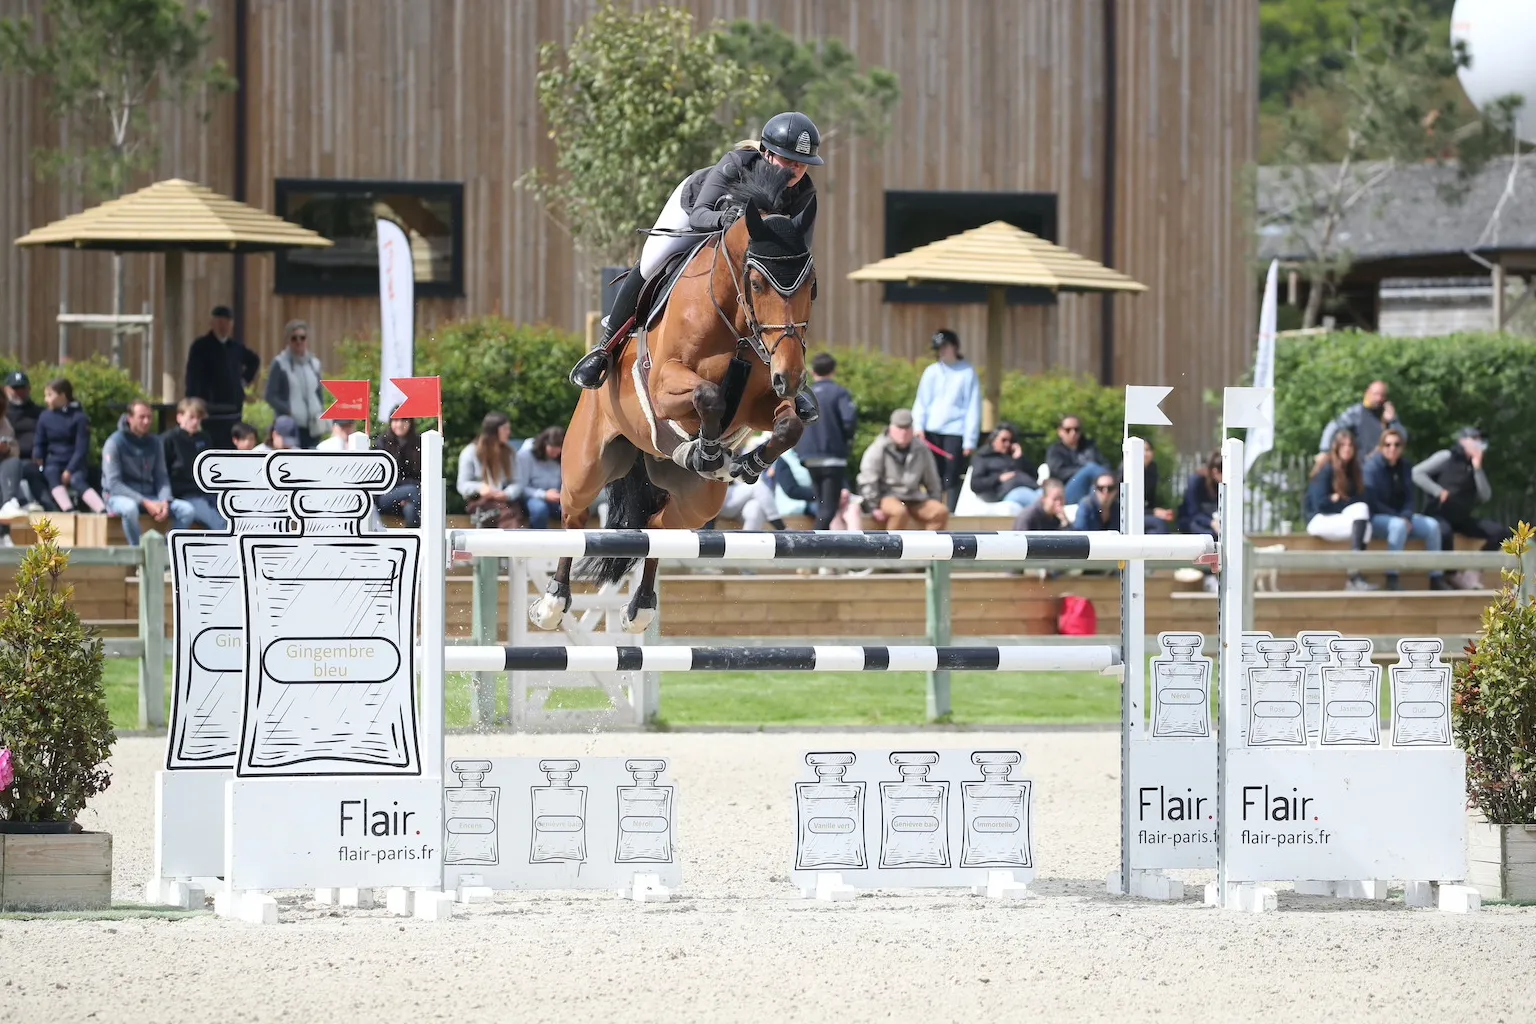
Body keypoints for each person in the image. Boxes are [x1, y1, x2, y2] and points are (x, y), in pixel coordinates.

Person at [570, 112, 822, 390]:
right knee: (652, 263)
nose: (795, 170)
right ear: (766, 153)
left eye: (803, 164)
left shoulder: (805, 193)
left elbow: (798, 250)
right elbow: (699, 215)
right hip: (696, 210)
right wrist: (724, 220)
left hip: (749, 250)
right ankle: (604, 348)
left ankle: (791, 373)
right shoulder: (737, 164)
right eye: (788, 160)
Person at [1413, 427, 1511, 585]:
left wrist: (1478, 469)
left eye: (1480, 440)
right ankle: (1449, 574)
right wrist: (1437, 491)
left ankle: (1475, 571)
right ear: (1462, 441)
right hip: (1439, 513)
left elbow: (1485, 496)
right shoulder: (1446, 456)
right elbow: (1416, 473)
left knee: (1501, 532)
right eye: (1474, 439)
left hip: (1461, 518)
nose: (1479, 443)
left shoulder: (1474, 466)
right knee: (1444, 531)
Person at [1363, 427, 1448, 591]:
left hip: (1402, 518)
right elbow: (1372, 502)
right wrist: (1400, 518)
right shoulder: (1371, 468)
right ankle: (1392, 577)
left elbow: (1410, 498)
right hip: (1378, 518)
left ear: (1402, 447)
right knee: (1398, 525)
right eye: (1387, 445)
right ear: (1381, 447)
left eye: (1396, 444)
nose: (1392, 448)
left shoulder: (1405, 466)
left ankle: (1435, 578)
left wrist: (1407, 516)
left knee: (1433, 526)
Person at [102, 399, 194, 545]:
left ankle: (165, 551)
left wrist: (164, 500)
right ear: (130, 418)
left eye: (149, 417)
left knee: (187, 510)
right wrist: (145, 502)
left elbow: (161, 476)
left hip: (150, 496)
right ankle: (139, 554)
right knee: (130, 509)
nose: (146, 421)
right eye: (141, 417)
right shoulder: (115, 442)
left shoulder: (155, 443)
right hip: (118, 497)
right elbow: (114, 484)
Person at [912, 329, 982, 511]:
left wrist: (970, 439)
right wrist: (918, 426)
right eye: (939, 348)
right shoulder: (932, 371)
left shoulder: (967, 372)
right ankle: (931, 510)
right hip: (931, 431)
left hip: (955, 432)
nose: (942, 351)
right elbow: (922, 401)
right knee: (931, 474)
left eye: (945, 347)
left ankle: (949, 513)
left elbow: (973, 407)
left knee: (951, 477)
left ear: (955, 347)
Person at [1305, 429, 1375, 591]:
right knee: (1363, 525)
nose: (1347, 448)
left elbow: (1359, 500)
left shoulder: (1354, 471)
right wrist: (1344, 501)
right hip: (1319, 519)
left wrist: (1339, 499)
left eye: (1350, 445)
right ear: (1335, 447)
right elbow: (1321, 503)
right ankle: (1354, 576)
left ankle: (1354, 576)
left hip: (1338, 518)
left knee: (1366, 524)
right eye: (1343, 445)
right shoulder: (1326, 467)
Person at [857, 408, 949, 531]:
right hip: (887, 496)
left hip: (914, 497)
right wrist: (873, 506)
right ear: (891, 428)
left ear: (912, 429)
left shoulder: (922, 449)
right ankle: (892, 549)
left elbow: (932, 478)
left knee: (940, 512)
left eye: (907, 428)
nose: (903, 433)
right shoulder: (879, 448)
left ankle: (928, 548)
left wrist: (935, 499)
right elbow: (868, 477)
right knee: (899, 512)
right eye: (899, 428)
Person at [796, 352, 857, 531]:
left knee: (821, 503)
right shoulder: (839, 393)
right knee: (829, 508)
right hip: (833, 457)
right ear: (833, 371)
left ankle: (816, 545)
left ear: (813, 372)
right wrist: (846, 441)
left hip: (809, 456)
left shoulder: (805, 395)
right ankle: (812, 546)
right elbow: (849, 421)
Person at [184, 305, 260, 448]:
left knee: (231, 445)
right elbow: (192, 376)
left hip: (233, 408)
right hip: (210, 409)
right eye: (220, 322)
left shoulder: (235, 347)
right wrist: (193, 401)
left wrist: (243, 382)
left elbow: (254, 360)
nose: (223, 326)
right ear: (212, 323)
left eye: (227, 322)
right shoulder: (201, 346)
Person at [33, 378, 106, 513]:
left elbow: (81, 448)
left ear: (62, 396)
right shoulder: (45, 417)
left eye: (50, 395)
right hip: (54, 461)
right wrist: (37, 454)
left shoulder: (79, 418)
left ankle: (101, 509)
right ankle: (68, 509)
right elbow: (39, 441)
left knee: (77, 480)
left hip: (74, 462)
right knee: (51, 473)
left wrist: (70, 470)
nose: (46, 400)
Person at [160, 397, 226, 530]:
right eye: (191, 417)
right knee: (220, 524)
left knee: (234, 514)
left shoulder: (204, 438)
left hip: (208, 492)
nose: (195, 422)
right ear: (179, 417)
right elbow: (162, 472)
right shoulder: (168, 439)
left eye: (199, 418)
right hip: (184, 495)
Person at [456, 411, 526, 529]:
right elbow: (462, 485)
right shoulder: (470, 452)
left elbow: (517, 482)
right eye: (505, 429)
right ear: (494, 431)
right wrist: (480, 488)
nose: (508, 432)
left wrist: (507, 494)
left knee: (515, 513)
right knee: (505, 516)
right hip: (480, 501)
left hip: (505, 501)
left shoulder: (510, 454)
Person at [264, 319, 325, 447]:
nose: (299, 341)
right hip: (291, 426)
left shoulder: (314, 363)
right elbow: (270, 395)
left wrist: (321, 411)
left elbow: (319, 392)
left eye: (302, 338)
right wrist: (288, 410)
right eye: (294, 338)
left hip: (313, 426)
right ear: (288, 341)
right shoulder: (280, 364)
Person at [1176, 451, 1223, 593]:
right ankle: (1209, 577)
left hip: (1212, 523)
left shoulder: (1223, 485)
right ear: (1215, 472)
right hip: (1192, 522)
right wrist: (1212, 522)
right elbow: (1193, 512)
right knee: (1209, 537)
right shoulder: (1196, 481)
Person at [1320, 380, 1405, 457]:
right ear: (1367, 393)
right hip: (1360, 467)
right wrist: (1325, 450)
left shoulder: (1388, 415)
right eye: (1375, 394)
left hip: (1382, 467)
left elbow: (1403, 439)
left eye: (1382, 395)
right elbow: (1333, 427)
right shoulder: (1356, 413)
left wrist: (1393, 421)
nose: (1379, 399)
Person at [970, 422, 1040, 509]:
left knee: (1046, 495)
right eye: (1003, 440)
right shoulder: (983, 457)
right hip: (1006, 493)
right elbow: (975, 484)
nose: (1007, 444)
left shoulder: (1013, 456)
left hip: (1031, 488)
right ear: (993, 440)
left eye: (1010, 441)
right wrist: (999, 478)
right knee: (1040, 501)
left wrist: (1019, 458)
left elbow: (1034, 476)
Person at [1045, 415, 1111, 505]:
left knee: (1098, 481)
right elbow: (1058, 473)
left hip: (1092, 488)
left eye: (1076, 429)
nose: (1073, 433)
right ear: (1060, 432)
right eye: (1068, 430)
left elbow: (1105, 464)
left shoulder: (1089, 447)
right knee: (1091, 469)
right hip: (1067, 491)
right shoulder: (1055, 451)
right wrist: (1084, 471)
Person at [2, 371, 45, 506]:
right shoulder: (4, 415)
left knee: (33, 472)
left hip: (33, 460)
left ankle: (49, 509)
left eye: (23, 389)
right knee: (15, 465)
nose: (19, 393)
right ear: (6, 390)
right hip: (8, 461)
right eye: (15, 389)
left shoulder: (40, 413)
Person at [375, 417, 422, 529]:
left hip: (410, 497)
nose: (399, 424)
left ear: (411, 423)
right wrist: (406, 490)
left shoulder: (418, 443)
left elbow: (421, 474)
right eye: (396, 421)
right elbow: (386, 478)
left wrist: (406, 495)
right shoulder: (383, 443)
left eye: (404, 420)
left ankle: (414, 542)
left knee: (410, 510)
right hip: (385, 494)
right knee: (413, 490)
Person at [1122, 439, 1174, 534]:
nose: (1145, 454)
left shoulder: (1152, 469)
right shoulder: (1125, 469)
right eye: (1141, 450)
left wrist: (1158, 512)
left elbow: (1151, 500)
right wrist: (1153, 512)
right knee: (1159, 524)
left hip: (1144, 514)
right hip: (1125, 516)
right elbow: (1124, 504)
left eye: (1148, 450)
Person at [518, 426, 565, 529]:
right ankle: (539, 541)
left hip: (555, 498)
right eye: (552, 450)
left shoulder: (561, 457)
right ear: (544, 444)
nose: (556, 454)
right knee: (540, 510)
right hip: (531, 497)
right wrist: (544, 495)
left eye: (559, 451)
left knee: (573, 510)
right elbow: (521, 487)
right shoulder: (526, 456)